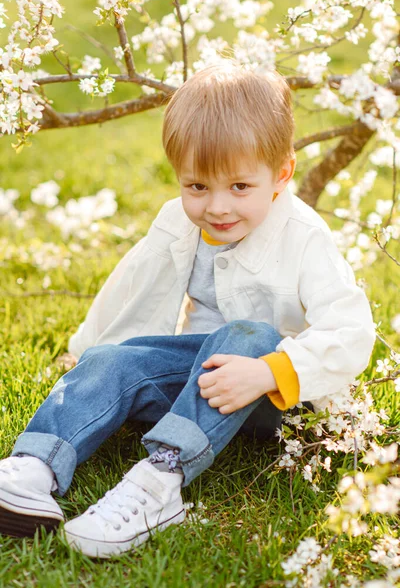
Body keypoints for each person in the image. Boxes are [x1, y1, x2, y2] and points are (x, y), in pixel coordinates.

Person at [0, 61, 376, 558]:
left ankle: (158, 481)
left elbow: (353, 331)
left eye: (240, 187)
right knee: (115, 359)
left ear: (281, 174)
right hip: (197, 383)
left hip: (274, 397)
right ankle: (34, 466)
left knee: (248, 333)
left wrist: (271, 371)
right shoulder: (177, 221)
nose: (217, 207)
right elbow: (132, 286)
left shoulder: (304, 238)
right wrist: (85, 352)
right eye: (197, 186)